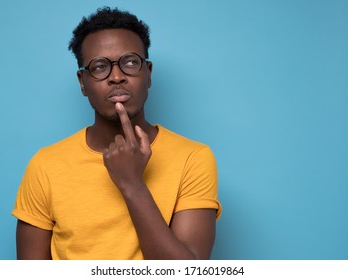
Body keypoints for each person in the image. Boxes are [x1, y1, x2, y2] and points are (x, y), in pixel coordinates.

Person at [12, 6, 221, 260]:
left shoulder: (193, 158)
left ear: (148, 74)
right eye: (100, 67)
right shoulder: (45, 165)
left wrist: (132, 184)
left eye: (131, 62)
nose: (117, 76)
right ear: (82, 83)